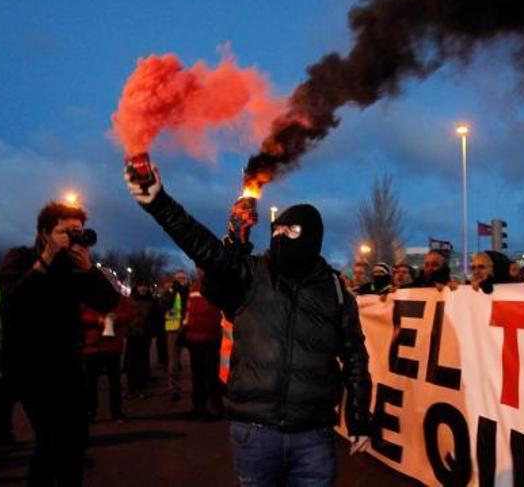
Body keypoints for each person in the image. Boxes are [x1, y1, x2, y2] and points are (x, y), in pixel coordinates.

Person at [126, 166, 373, 485]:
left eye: (292, 233)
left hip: (313, 435)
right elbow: (202, 246)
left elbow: (355, 357)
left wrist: (359, 417)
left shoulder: (335, 291)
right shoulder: (251, 275)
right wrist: (158, 202)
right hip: (255, 433)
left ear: (312, 238)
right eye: (278, 233)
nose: (282, 240)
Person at [0, 201, 118, 487]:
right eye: (65, 231)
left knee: (76, 443)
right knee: (51, 442)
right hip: (31, 368)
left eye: (78, 231)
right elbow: (13, 303)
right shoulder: (21, 258)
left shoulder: (75, 266)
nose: (73, 236)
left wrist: (89, 269)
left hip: (69, 366)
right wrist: (46, 258)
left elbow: (108, 302)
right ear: (44, 233)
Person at [83, 291, 131, 424]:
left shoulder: (120, 299)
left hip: (112, 345)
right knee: (90, 383)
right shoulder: (86, 297)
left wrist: (117, 317)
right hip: (93, 346)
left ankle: (116, 411)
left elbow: (129, 314)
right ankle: (91, 411)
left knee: (114, 382)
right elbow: (80, 315)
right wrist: (97, 319)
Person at [182, 269, 223, 420]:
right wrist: (185, 329)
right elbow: (188, 311)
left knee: (212, 376)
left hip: (209, 339)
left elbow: (218, 313)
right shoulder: (194, 287)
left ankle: (215, 407)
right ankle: (199, 407)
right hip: (195, 339)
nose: (199, 271)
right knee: (198, 377)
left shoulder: (216, 287)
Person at [125, 279, 163, 400]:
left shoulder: (152, 302)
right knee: (131, 364)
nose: (143, 288)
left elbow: (157, 318)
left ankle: (141, 388)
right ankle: (131, 388)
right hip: (131, 336)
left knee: (142, 363)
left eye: (145, 286)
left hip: (144, 336)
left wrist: (152, 331)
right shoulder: (129, 301)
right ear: (136, 287)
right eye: (141, 285)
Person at [160, 270, 190, 399]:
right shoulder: (171, 292)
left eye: (183, 277)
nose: (181, 280)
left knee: (192, 359)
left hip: (189, 328)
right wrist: (170, 292)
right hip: (174, 329)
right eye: (178, 278)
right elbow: (164, 306)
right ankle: (173, 387)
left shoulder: (190, 291)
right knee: (173, 360)